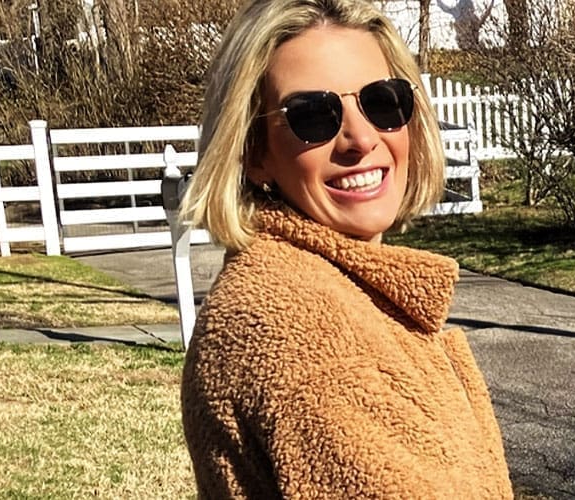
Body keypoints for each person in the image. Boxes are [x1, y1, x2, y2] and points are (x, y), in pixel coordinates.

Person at [179, 0, 512, 497]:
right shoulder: (290, 327)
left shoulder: (342, 293)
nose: (360, 137)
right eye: (313, 115)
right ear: (253, 151)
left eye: (382, 102)